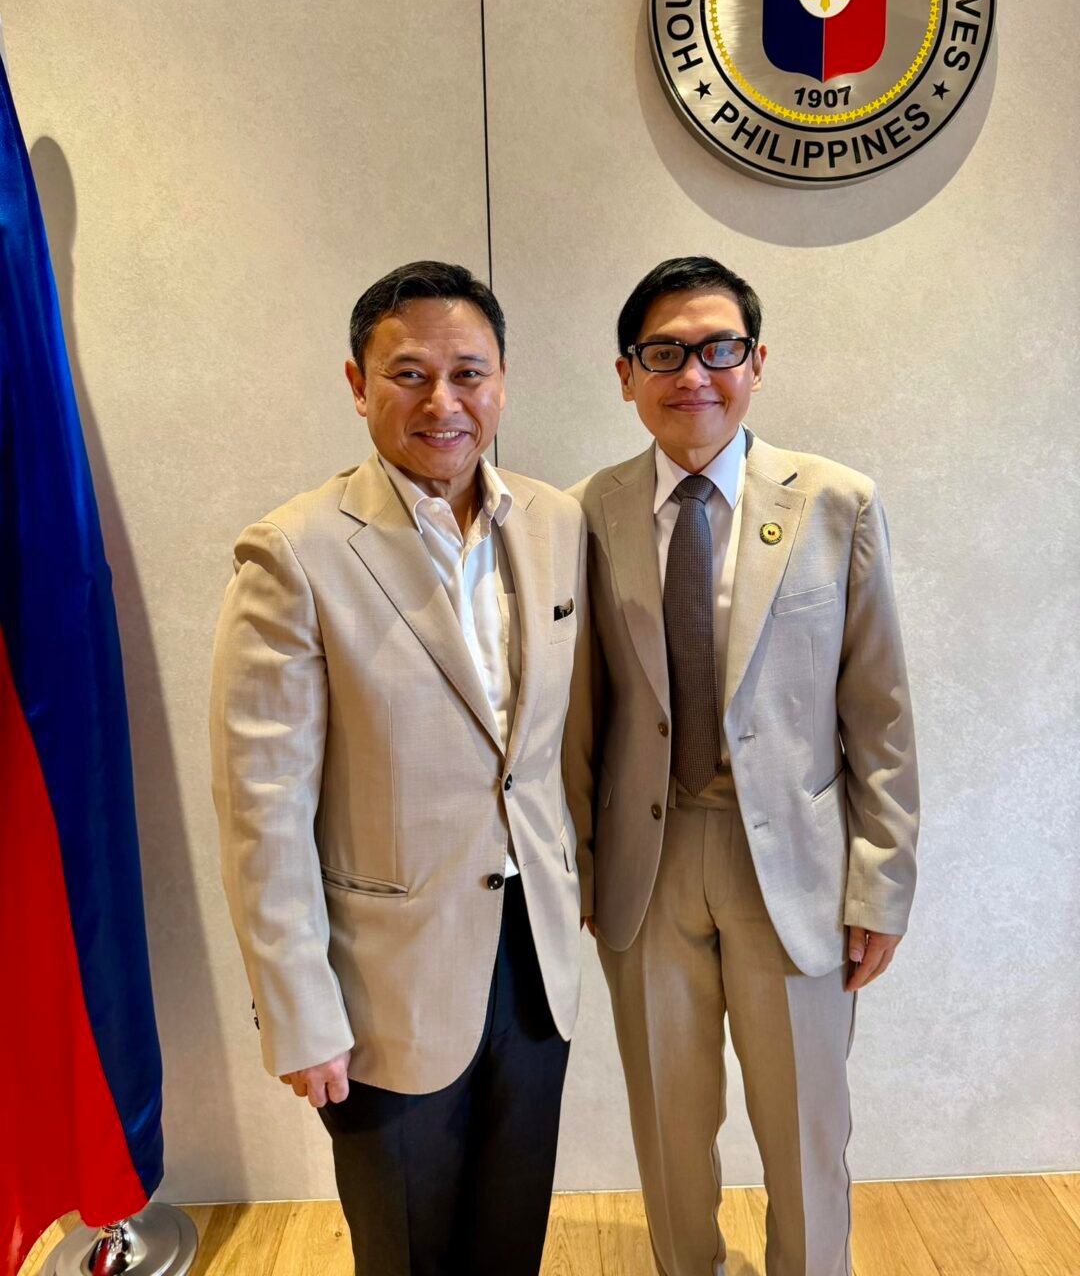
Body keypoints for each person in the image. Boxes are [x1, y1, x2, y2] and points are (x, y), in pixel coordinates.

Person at [210, 260, 592, 1276]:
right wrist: (299, 1010)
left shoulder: (555, 523)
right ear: (358, 384)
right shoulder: (295, 552)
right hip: (383, 980)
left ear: (502, 381)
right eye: (409, 374)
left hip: (535, 957)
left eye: (469, 373)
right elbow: (261, 808)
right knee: (408, 1248)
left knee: (511, 1234)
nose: (443, 403)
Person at [572, 256, 919, 1276]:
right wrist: (579, 867)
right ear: (627, 374)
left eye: (718, 348)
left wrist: (882, 884)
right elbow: (580, 711)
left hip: (797, 866)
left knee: (807, 1131)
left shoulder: (837, 504)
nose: (694, 375)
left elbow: (882, 711)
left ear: (756, 363)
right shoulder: (590, 512)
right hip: (647, 865)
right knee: (669, 1130)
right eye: (665, 353)